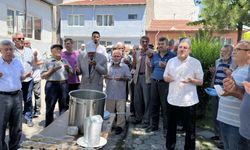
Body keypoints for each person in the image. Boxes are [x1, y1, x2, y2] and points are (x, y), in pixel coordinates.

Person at [164, 39, 204, 150]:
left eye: (185, 47)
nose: (182, 49)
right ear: (177, 48)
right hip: (173, 100)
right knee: (171, 128)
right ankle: (170, 147)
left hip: (189, 102)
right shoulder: (171, 61)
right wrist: (167, 78)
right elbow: (165, 76)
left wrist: (192, 80)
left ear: (189, 50)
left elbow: (200, 81)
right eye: (180, 47)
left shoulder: (195, 63)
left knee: (190, 129)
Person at [216, 43, 249, 150]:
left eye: (238, 49)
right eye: (234, 49)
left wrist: (234, 91)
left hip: (236, 125)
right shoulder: (236, 69)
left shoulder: (248, 71)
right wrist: (227, 91)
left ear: (248, 53)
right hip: (224, 119)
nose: (234, 51)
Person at [0, 40, 30, 150]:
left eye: (11, 49)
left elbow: (20, 77)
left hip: (17, 95)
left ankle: (14, 146)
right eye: (6, 49)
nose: (8, 51)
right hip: (2, 97)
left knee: (16, 124)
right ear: (1, 50)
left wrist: (25, 76)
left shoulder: (17, 61)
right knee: (1, 124)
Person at [146, 37, 176, 135]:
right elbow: (153, 67)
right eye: (159, 44)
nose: (160, 46)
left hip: (165, 84)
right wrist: (150, 66)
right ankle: (154, 126)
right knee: (154, 104)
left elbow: (177, 71)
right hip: (155, 82)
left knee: (165, 106)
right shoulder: (155, 55)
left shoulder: (172, 56)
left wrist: (166, 65)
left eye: (162, 44)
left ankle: (166, 128)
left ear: (167, 45)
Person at [41, 44, 72, 127]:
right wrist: (52, 70)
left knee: (64, 106)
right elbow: (43, 76)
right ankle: (48, 126)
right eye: (57, 49)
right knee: (50, 106)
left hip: (64, 84)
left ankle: (62, 125)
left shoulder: (64, 61)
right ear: (52, 51)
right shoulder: (47, 61)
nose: (59, 50)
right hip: (51, 85)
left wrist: (68, 69)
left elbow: (72, 73)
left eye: (60, 49)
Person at [209, 45, 234, 144]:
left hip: (226, 93)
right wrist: (211, 85)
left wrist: (229, 73)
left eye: (225, 51)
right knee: (215, 113)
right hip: (215, 90)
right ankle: (217, 134)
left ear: (230, 52)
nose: (222, 53)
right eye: (221, 51)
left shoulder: (234, 63)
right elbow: (215, 75)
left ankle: (224, 140)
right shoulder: (217, 61)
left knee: (224, 116)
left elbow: (234, 78)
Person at [104, 49, 131, 135]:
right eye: (114, 56)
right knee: (109, 111)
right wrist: (105, 76)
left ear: (121, 57)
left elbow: (129, 77)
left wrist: (122, 78)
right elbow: (102, 75)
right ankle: (109, 125)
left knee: (121, 112)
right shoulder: (108, 66)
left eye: (118, 56)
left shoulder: (125, 66)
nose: (116, 58)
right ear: (112, 57)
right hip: (109, 92)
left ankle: (120, 126)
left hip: (120, 93)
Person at [13, 32, 36, 127]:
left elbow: (33, 63)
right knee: (15, 101)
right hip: (15, 80)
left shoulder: (29, 50)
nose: (22, 40)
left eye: (23, 38)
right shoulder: (11, 51)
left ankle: (28, 117)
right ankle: (15, 119)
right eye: (19, 39)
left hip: (29, 79)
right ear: (14, 40)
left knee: (28, 99)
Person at [131, 36, 153, 128]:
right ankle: (138, 118)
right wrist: (133, 57)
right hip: (137, 77)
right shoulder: (137, 53)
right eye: (142, 41)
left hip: (146, 77)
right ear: (140, 43)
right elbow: (134, 66)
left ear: (148, 42)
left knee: (147, 100)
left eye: (146, 41)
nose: (144, 43)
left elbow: (153, 65)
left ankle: (146, 120)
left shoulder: (152, 53)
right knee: (137, 99)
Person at [24, 40, 43, 118]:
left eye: (27, 43)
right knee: (27, 96)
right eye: (24, 43)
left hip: (36, 77)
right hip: (26, 78)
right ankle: (28, 110)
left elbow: (40, 62)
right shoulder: (22, 52)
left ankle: (37, 110)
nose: (25, 44)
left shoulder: (35, 51)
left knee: (37, 94)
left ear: (30, 43)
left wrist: (34, 57)